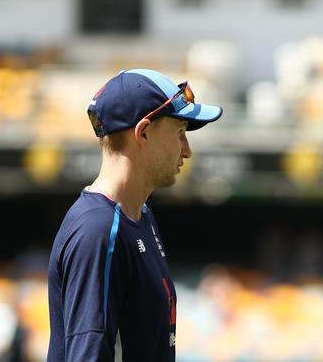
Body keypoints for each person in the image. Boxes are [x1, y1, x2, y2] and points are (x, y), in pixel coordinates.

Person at [47, 69, 223, 361]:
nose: (187, 150)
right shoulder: (98, 231)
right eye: (180, 133)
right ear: (143, 132)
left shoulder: (141, 216)